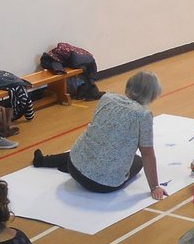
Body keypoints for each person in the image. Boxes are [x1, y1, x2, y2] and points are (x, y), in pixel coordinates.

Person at [33, 71, 168, 201]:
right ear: (152, 95)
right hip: (103, 185)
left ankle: (45, 161)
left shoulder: (107, 98)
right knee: (138, 160)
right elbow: (147, 154)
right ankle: (87, 170)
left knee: (93, 145)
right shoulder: (143, 115)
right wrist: (154, 187)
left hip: (73, 166)